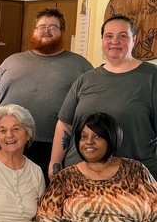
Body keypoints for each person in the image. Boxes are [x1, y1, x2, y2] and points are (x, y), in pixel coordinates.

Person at [0, 8, 92, 182]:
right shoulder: (12, 60)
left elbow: (90, 103)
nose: (46, 31)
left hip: (53, 147)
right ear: (34, 31)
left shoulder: (79, 65)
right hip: (7, 141)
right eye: (41, 27)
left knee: (44, 194)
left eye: (53, 27)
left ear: (62, 31)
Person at [51, 15, 157, 179]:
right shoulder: (85, 79)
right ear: (102, 40)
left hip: (132, 180)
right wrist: (55, 163)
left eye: (122, 36)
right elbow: (65, 124)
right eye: (109, 36)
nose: (115, 41)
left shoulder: (151, 78)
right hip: (79, 178)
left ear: (134, 40)